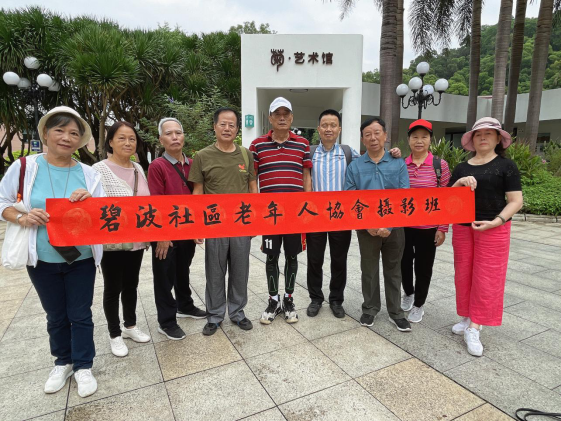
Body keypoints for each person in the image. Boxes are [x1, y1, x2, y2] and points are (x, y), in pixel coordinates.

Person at [0, 106, 103, 398]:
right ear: (45, 133)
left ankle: (83, 365)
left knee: (80, 314)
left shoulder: (89, 174)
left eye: (74, 133)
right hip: (42, 258)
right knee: (55, 315)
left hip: (81, 257)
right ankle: (62, 362)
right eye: (59, 130)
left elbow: (105, 214)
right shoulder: (24, 167)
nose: (66, 138)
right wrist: (22, 217)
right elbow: (2, 202)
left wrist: (91, 201)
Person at [449, 117, 523, 357]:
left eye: (489, 133)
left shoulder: (506, 166)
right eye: (478, 134)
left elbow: (516, 201)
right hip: (463, 227)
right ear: (472, 139)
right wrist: (458, 183)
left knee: (487, 277)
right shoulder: (462, 168)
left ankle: (475, 326)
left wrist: (497, 221)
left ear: (498, 138)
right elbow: (448, 199)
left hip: (494, 228)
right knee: (463, 274)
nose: (483, 137)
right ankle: (467, 316)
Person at [189, 107, 258, 336]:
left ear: (237, 129)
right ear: (215, 127)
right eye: (223, 124)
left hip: (241, 223)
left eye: (232, 125)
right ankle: (215, 316)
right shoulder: (202, 156)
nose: (227, 128)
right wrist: (196, 225)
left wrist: (255, 220)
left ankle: (237, 312)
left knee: (240, 271)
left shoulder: (246, 155)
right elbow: (197, 192)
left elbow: (252, 188)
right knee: (215, 272)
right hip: (215, 224)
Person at [345, 117, 412, 332]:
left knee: (394, 270)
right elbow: (350, 197)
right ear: (362, 139)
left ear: (385, 136)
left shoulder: (398, 163)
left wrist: (389, 226)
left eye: (377, 133)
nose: (373, 138)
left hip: (395, 228)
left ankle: (396, 312)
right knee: (369, 270)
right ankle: (370, 308)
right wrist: (368, 225)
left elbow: (403, 196)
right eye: (368, 134)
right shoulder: (355, 166)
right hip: (366, 229)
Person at [249, 97, 312, 325]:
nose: (282, 118)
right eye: (278, 114)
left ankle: (289, 300)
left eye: (286, 114)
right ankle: (273, 300)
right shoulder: (257, 145)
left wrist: (306, 207)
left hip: (294, 213)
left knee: (292, 256)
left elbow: (306, 176)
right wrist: (256, 207)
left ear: (292, 117)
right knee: (271, 256)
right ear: (270, 118)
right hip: (270, 214)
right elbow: (252, 178)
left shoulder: (302, 144)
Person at [92, 122, 151, 357]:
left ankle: (130, 326)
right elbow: (93, 206)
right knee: (112, 288)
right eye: (122, 138)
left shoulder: (138, 168)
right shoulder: (98, 170)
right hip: (112, 242)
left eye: (132, 139)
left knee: (131, 285)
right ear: (110, 142)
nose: (128, 143)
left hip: (136, 240)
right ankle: (114, 334)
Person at [147, 117, 206, 340]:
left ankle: (185, 305)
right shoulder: (158, 166)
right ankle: (166, 321)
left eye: (178, 133)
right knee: (164, 277)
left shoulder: (192, 164)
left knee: (183, 270)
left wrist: (197, 228)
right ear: (161, 139)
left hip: (187, 230)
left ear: (183, 136)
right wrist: (162, 235)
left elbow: (198, 198)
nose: (174, 137)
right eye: (169, 133)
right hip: (166, 233)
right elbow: (156, 203)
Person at [306, 109, 360, 318]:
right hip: (316, 217)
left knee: (339, 260)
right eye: (325, 125)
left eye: (333, 125)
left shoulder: (349, 153)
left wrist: (392, 154)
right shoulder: (310, 153)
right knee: (314, 260)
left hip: (341, 217)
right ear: (318, 129)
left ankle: (336, 300)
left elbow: (370, 162)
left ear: (339, 129)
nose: (329, 129)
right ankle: (315, 299)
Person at [400, 119, 451, 323]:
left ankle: (419, 304)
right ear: (409, 140)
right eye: (415, 137)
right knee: (403, 263)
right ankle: (408, 292)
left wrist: (442, 228)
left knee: (423, 267)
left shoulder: (440, 165)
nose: (419, 141)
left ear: (430, 140)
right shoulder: (401, 164)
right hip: (404, 226)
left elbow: (446, 199)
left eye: (424, 137)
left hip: (429, 227)